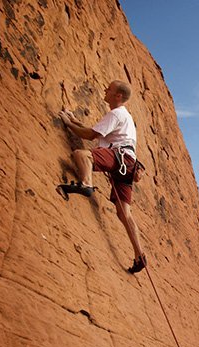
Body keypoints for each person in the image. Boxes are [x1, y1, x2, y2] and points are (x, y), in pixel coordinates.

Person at [58, 80, 147, 274]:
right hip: (128, 165)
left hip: (119, 158)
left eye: (109, 89)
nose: (105, 90)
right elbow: (98, 134)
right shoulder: (125, 117)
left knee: (81, 155)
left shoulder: (116, 113)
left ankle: (86, 184)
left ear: (118, 96)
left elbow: (90, 136)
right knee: (124, 213)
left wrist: (67, 123)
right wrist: (73, 120)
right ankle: (139, 255)